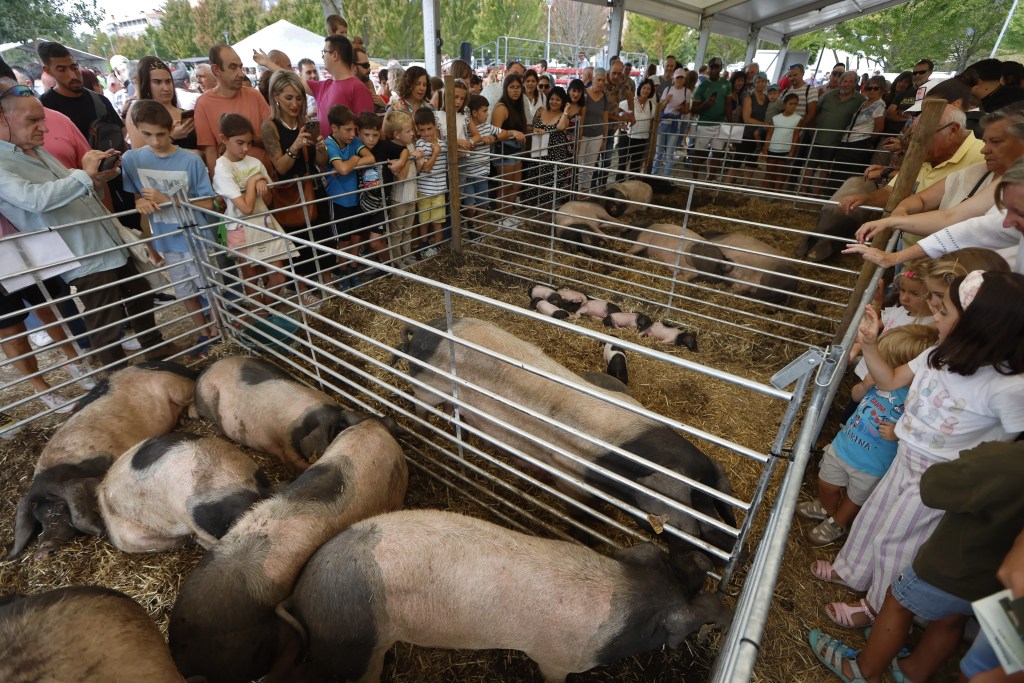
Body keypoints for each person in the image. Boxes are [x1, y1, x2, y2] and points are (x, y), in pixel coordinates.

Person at [811, 268, 1024, 629]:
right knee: (873, 516)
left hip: (939, 476)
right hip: (905, 456)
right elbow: (890, 380)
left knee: (897, 541)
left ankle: (876, 606)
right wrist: (872, 345)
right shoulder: (938, 355)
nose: (934, 316)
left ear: (977, 327)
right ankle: (852, 570)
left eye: (943, 311)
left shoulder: (1008, 386)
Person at [809, 438, 1024, 683]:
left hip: (954, 563)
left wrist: (975, 455)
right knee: (951, 621)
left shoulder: (1009, 462)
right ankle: (912, 672)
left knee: (897, 602)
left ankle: (864, 671)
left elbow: (934, 486)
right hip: (988, 582)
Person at [0, 80, 175, 367]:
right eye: (33, 120)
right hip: (81, 253)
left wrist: (96, 177)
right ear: (1, 117)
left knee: (140, 295)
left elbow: (68, 185)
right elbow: (35, 199)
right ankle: (117, 378)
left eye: (42, 119)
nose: (44, 128)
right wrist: (84, 175)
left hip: (104, 239)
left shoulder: (35, 149)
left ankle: (157, 353)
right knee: (106, 318)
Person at [797, 324, 937, 546]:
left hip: (873, 464)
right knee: (827, 484)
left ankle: (838, 523)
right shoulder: (877, 380)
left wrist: (898, 432)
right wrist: (864, 385)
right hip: (843, 446)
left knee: (855, 498)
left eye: (886, 361)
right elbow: (854, 396)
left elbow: (920, 428)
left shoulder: (916, 397)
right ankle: (826, 507)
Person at [802, 102, 985, 262]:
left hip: (947, 258)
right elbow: (893, 191)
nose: (915, 144)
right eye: (913, 137)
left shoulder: (983, 159)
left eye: (922, 137)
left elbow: (958, 218)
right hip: (909, 247)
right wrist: (865, 198)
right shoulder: (922, 155)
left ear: (952, 130)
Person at [121, 100, 217, 354]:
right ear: (137, 130)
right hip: (168, 239)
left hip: (197, 237)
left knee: (209, 288)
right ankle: (204, 333)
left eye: (161, 134)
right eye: (147, 134)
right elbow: (135, 196)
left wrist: (169, 200)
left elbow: (209, 202)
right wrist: (140, 202)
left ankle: (218, 330)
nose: (154, 141)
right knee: (185, 291)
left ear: (171, 129)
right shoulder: (132, 159)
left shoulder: (190, 160)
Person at [847, 155, 1024, 274]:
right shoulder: (985, 172)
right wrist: (894, 228)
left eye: (1019, 212)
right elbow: (967, 226)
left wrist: (895, 252)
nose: (1007, 221)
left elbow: (969, 227)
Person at [212, 113, 296, 311]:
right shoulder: (222, 167)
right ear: (223, 139)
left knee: (278, 274)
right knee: (251, 276)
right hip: (240, 227)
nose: (245, 148)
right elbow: (246, 208)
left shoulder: (255, 163)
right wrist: (253, 181)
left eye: (249, 143)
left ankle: (265, 308)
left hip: (264, 223)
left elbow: (267, 200)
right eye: (240, 143)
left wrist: (262, 182)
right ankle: (262, 315)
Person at [261, 70, 328, 304]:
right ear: (276, 96)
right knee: (296, 243)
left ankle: (324, 284)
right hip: (289, 193)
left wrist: (320, 147)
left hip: (313, 188)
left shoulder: (305, 122)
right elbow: (280, 167)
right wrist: (295, 147)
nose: (295, 103)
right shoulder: (269, 126)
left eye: (299, 98)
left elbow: (320, 163)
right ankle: (301, 291)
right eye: (288, 97)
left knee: (320, 239)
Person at [255, 35, 373, 136]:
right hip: (325, 154)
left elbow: (367, 130)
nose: (322, 57)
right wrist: (268, 63)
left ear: (335, 55)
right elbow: (292, 78)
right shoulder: (324, 86)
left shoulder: (357, 88)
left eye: (324, 52)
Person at [195, 45, 272, 175]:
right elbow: (211, 152)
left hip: (266, 180)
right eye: (233, 67)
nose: (241, 73)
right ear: (216, 69)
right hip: (231, 183)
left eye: (240, 67)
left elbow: (274, 139)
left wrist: (242, 139)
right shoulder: (203, 104)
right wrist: (218, 185)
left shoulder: (254, 95)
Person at [323, 104, 374, 285]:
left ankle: (353, 269)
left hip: (355, 198)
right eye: (348, 130)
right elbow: (343, 169)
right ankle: (343, 273)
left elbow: (371, 158)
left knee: (356, 237)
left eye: (354, 130)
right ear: (334, 128)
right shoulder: (329, 144)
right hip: (338, 200)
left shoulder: (353, 141)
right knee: (343, 241)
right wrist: (354, 159)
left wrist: (350, 162)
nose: (353, 134)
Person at [126, 57, 197, 151]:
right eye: (158, 82)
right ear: (146, 84)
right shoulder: (137, 112)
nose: (166, 88)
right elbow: (139, 154)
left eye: (168, 81)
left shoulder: (183, 113)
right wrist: (171, 137)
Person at [354, 112, 393, 268]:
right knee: (360, 239)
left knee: (375, 241)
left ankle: (389, 267)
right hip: (361, 202)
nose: (371, 139)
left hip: (381, 202)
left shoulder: (384, 147)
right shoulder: (353, 148)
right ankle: (377, 266)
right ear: (358, 131)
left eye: (375, 135)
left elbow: (402, 150)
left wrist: (401, 160)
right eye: (367, 135)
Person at [832, 74, 887, 183]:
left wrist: (867, 141)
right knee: (838, 171)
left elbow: (879, 128)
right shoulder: (865, 102)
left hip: (860, 142)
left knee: (849, 173)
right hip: (847, 140)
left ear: (881, 90)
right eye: (869, 88)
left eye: (875, 88)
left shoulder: (880, 105)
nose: (871, 90)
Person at [490, 74, 528, 224]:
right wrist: (512, 132)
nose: (515, 90)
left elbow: (521, 128)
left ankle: (508, 215)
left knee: (516, 185)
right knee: (505, 185)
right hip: (503, 150)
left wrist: (534, 129)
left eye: (518, 87)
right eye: (512, 87)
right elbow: (495, 133)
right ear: (506, 89)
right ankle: (502, 219)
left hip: (516, 150)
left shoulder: (517, 106)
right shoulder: (501, 108)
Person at [381, 111, 418, 264]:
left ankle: (406, 255)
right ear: (396, 134)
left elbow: (417, 170)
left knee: (408, 229)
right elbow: (400, 176)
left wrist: (417, 156)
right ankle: (396, 260)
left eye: (412, 130)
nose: (412, 133)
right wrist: (410, 156)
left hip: (412, 195)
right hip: (399, 198)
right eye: (408, 131)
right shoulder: (392, 150)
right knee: (397, 231)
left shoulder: (410, 146)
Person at [690, 57, 733, 182]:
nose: (714, 70)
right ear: (708, 68)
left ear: (720, 69)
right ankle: (694, 180)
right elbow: (694, 109)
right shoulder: (702, 86)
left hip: (720, 123)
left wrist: (730, 124)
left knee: (717, 153)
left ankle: (710, 179)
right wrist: (706, 104)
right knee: (699, 153)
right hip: (704, 124)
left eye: (716, 68)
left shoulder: (726, 84)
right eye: (712, 67)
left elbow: (728, 104)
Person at [412, 107, 447, 257]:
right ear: (417, 129)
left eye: (429, 129)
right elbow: (426, 168)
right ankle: (424, 245)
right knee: (424, 220)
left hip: (439, 190)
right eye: (422, 130)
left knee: (437, 221)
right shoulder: (419, 145)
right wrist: (436, 153)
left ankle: (437, 246)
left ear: (435, 126)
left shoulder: (443, 144)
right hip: (424, 190)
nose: (426, 133)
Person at [531, 86, 572, 207]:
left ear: (563, 102)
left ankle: (548, 210)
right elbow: (531, 126)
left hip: (555, 155)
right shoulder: (540, 111)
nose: (554, 102)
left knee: (551, 182)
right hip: (538, 152)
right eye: (552, 99)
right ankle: (535, 209)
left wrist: (566, 110)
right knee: (536, 179)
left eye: (558, 100)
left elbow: (560, 127)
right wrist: (535, 129)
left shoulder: (564, 116)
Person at [577, 68, 609, 192]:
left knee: (589, 167)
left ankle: (584, 192)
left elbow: (605, 120)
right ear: (593, 79)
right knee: (578, 164)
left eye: (603, 80)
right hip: (583, 135)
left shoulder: (604, 97)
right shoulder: (584, 94)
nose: (601, 83)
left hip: (597, 136)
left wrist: (604, 140)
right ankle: (576, 190)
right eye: (599, 79)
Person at [761, 93, 801, 191]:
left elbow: (796, 136)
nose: (793, 106)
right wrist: (765, 150)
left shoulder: (797, 119)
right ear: (784, 104)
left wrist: (792, 151)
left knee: (780, 174)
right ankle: (763, 193)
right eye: (790, 104)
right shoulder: (776, 118)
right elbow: (769, 134)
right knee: (769, 173)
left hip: (785, 150)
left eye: (795, 104)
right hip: (772, 149)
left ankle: (776, 193)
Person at [738, 72, 770, 182]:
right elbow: (747, 119)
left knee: (751, 163)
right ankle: (726, 185)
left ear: (766, 83)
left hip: (759, 136)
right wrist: (764, 124)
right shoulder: (749, 98)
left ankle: (745, 186)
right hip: (747, 134)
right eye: (758, 82)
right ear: (754, 84)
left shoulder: (767, 99)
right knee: (737, 161)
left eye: (763, 81)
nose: (760, 84)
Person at [621, 78, 655, 175]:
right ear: (640, 88)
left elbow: (651, 121)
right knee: (622, 163)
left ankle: (633, 182)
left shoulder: (652, 105)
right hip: (627, 137)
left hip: (642, 139)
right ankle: (620, 182)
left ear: (651, 91)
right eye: (644, 88)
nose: (646, 91)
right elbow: (619, 113)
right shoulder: (629, 101)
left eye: (648, 89)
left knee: (636, 165)